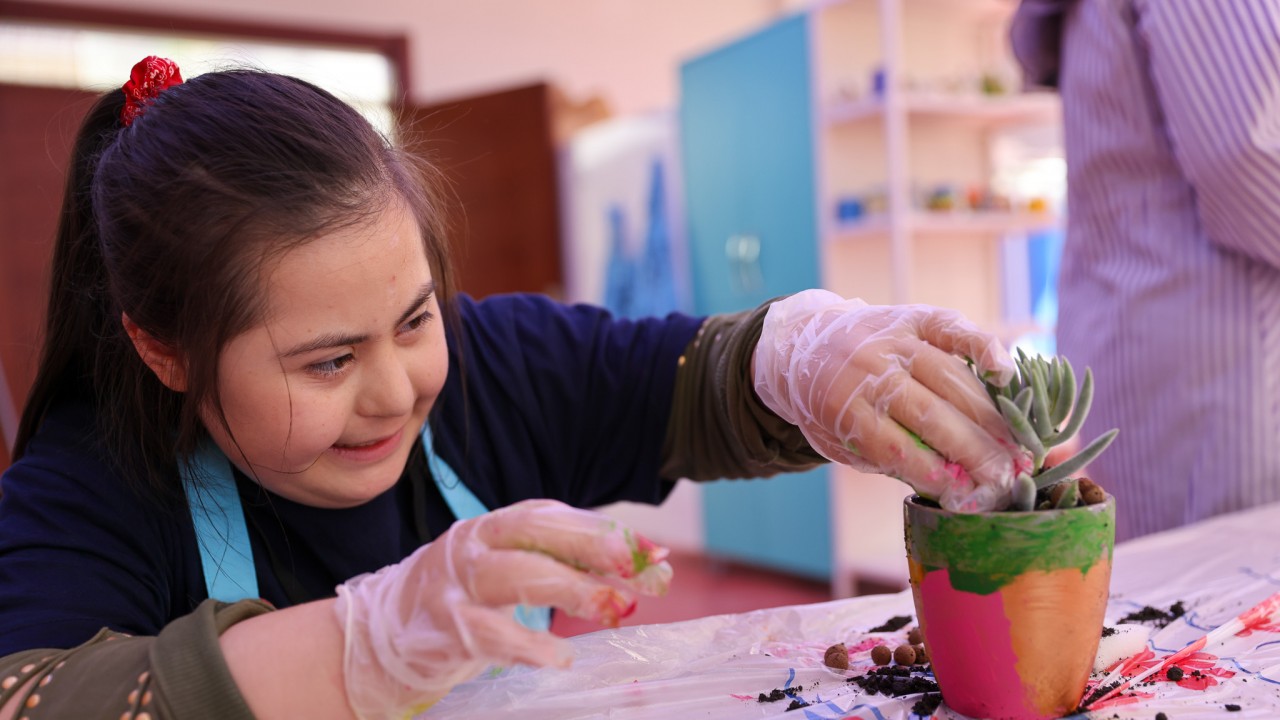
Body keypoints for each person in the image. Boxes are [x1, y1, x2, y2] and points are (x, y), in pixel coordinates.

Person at [0, 56, 1026, 720]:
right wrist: (363, 647)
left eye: (413, 321)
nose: (396, 392)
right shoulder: (86, 487)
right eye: (326, 361)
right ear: (166, 350)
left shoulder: (485, 365)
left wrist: (801, 355)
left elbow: (682, 384)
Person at [1012, 1, 1280, 540]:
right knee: (1226, 603)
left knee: (1180, 602)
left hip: (1148, 338)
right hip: (1222, 357)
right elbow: (1247, 155)